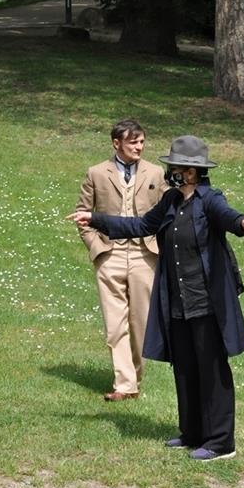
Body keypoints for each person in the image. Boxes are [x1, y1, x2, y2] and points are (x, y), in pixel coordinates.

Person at [68, 135, 244, 461]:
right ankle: (192, 433)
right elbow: (142, 224)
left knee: (211, 369)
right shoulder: (171, 200)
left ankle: (220, 442)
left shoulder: (209, 199)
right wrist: (96, 218)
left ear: (193, 171)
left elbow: (229, 216)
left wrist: (243, 223)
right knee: (185, 367)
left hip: (206, 301)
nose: (170, 169)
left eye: (176, 166)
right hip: (177, 299)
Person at [75, 119, 166, 401]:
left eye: (141, 142)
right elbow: (82, 214)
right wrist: (96, 247)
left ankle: (134, 376)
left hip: (144, 255)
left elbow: (166, 214)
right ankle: (124, 385)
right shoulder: (96, 173)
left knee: (140, 323)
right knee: (115, 324)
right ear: (117, 143)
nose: (139, 147)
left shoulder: (156, 172)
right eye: (133, 142)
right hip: (109, 254)